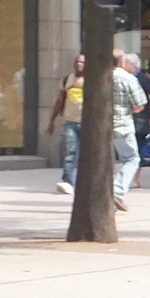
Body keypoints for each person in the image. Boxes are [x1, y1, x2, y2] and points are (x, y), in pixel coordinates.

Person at [111, 49, 147, 211]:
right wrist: (131, 110)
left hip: (101, 128)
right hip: (122, 125)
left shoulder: (98, 77)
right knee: (132, 158)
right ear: (122, 62)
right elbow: (139, 104)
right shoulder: (127, 78)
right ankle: (117, 191)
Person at [47, 53, 85, 194]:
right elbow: (60, 101)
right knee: (70, 152)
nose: (78, 64)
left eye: (81, 62)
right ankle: (67, 181)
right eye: (76, 62)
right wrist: (52, 121)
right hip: (70, 121)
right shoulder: (67, 80)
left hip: (87, 123)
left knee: (86, 155)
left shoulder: (91, 80)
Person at [122, 52, 150, 188]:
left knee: (138, 149)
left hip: (140, 119)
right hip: (128, 118)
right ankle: (130, 177)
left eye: (124, 63)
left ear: (131, 64)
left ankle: (135, 178)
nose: (122, 66)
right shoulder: (124, 78)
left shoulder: (143, 79)